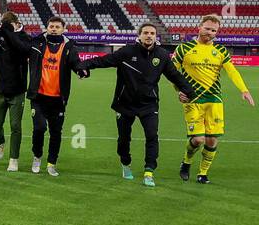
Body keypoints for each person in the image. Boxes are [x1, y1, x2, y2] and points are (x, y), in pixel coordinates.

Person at [83, 23, 194, 186]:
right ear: (140, 35)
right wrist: (82, 66)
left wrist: (190, 93)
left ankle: (149, 171)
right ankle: (125, 163)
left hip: (148, 104)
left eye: (152, 33)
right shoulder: (127, 52)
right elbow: (103, 61)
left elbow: (175, 76)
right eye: (146, 33)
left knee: (152, 136)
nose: (149, 35)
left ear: (156, 36)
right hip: (125, 104)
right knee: (123, 139)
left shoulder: (162, 55)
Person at [0, 15, 88, 176]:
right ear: (47, 27)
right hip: (38, 96)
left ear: (63, 29)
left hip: (58, 99)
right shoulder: (36, 43)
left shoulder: (69, 46)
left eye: (57, 27)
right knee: (39, 128)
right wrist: (7, 29)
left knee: (56, 132)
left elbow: (75, 62)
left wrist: (81, 70)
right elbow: (19, 45)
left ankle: (52, 163)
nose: (54, 29)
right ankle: (37, 156)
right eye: (51, 26)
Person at [173, 14, 256, 184]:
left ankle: (203, 173)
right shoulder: (184, 48)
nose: (210, 32)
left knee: (211, 140)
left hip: (214, 99)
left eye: (214, 30)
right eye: (207, 28)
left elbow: (232, 70)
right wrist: (178, 90)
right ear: (199, 27)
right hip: (192, 99)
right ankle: (186, 162)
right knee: (198, 139)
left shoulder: (221, 50)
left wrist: (244, 90)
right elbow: (172, 72)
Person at [0, 8, 29, 171]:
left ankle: (13, 159)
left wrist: (8, 31)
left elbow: (22, 48)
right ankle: (1, 142)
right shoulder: (0, 35)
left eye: (7, 24)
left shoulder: (25, 37)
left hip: (17, 90)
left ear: (16, 24)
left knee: (16, 126)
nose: (4, 27)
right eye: (3, 24)